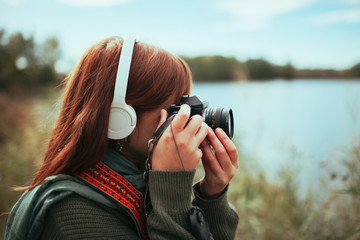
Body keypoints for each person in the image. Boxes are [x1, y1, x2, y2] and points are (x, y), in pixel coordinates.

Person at [5, 36, 239, 239]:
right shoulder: (71, 212)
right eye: (175, 109)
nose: (187, 120)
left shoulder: (139, 185)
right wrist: (171, 189)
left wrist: (212, 195)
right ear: (119, 117)